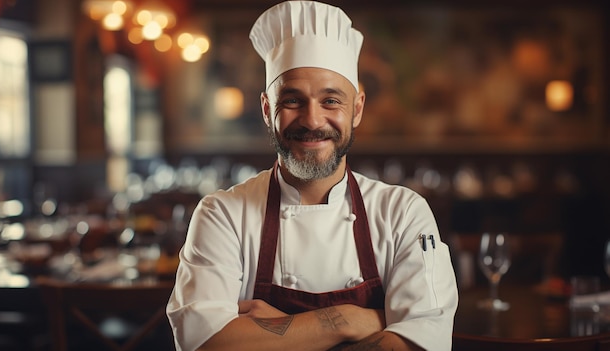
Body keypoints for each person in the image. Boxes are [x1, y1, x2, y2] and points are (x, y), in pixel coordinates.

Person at [166, 1, 458, 350]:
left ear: (358, 109)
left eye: (331, 101)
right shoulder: (222, 215)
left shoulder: (403, 213)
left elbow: (425, 342)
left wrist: (281, 332)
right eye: (292, 100)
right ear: (265, 109)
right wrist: (356, 320)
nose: (313, 120)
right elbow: (205, 343)